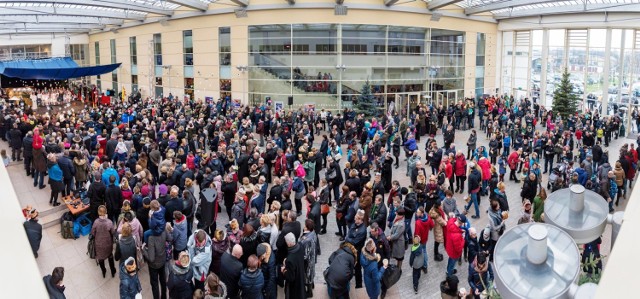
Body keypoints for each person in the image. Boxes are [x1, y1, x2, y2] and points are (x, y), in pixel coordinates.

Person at [142, 219, 172, 299]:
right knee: (163, 281)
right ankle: (164, 297)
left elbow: (151, 258)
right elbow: (170, 239)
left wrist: (144, 249)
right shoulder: (164, 231)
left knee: (154, 284)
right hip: (162, 261)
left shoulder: (151, 238)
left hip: (153, 266)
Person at [92, 205, 117, 278]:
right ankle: (113, 271)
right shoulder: (109, 222)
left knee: (101, 259)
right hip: (108, 244)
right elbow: (112, 232)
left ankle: (103, 271)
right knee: (110, 257)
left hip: (99, 244)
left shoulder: (96, 222)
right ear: (106, 212)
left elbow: (93, 233)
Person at [345, 209, 367, 288]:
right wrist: (349, 238)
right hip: (351, 249)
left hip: (357, 252)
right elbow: (349, 233)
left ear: (360, 219)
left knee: (357, 269)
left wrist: (348, 239)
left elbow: (354, 241)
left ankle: (359, 285)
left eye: (356, 218)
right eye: (355, 217)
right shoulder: (354, 224)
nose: (354, 218)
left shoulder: (362, 230)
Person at [281, 232, 306, 299]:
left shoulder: (290, 260)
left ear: (289, 244)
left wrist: (283, 270)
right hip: (300, 276)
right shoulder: (300, 247)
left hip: (295, 286)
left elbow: (290, 277)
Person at [299, 219, 318, 297]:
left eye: (305, 225)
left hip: (308, 261)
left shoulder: (307, 240)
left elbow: (305, 255)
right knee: (310, 274)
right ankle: (312, 284)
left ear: (307, 227)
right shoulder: (313, 233)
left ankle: (309, 292)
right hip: (312, 258)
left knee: (307, 275)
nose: (304, 226)